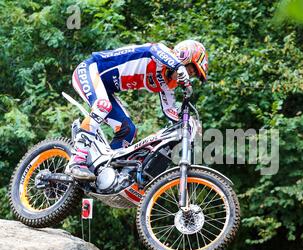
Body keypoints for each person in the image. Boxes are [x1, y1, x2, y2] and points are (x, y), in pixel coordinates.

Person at [65, 40, 208, 180]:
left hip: (105, 88)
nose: (189, 76)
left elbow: (170, 110)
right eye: (190, 70)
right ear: (184, 56)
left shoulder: (166, 84)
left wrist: (188, 122)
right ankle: (76, 161)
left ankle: (107, 172)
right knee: (103, 105)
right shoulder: (160, 52)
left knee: (128, 129)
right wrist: (179, 67)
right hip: (90, 69)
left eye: (192, 75)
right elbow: (155, 50)